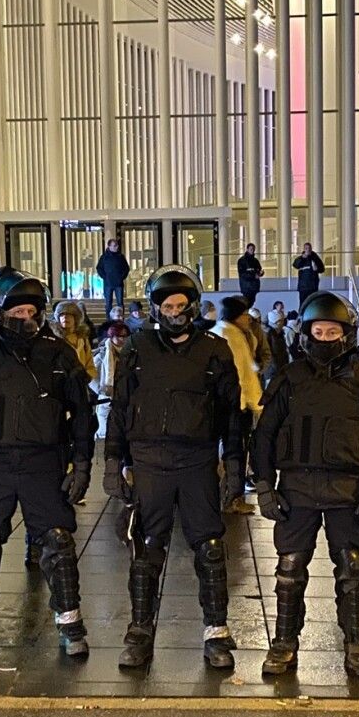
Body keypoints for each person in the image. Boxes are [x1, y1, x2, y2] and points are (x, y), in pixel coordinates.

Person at [0, 272, 95, 659]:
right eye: (17, 310)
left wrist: (82, 464)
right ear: (0, 311)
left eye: (31, 310)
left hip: (43, 461)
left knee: (58, 542)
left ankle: (70, 621)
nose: (24, 317)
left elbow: (82, 414)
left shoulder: (58, 353)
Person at [105, 268, 244, 670]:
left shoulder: (214, 350)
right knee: (147, 548)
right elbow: (120, 408)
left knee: (210, 548)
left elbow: (232, 416)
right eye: (167, 306)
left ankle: (216, 631)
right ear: (155, 309)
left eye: (181, 306)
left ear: (193, 307)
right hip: (150, 463)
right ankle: (140, 630)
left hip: (198, 461)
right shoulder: (137, 347)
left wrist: (235, 465)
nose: (175, 313)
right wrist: (114, 462)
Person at [252, 291, 359, 680]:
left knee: (354, 568)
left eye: (333, 331)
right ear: (307, 333)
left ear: (345, 335)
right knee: (290, 567)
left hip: (348, 490)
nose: (326, 338)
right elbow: (264, 436)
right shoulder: (290, 379)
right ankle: (283, 642)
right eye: (319, 330)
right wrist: (264, 485)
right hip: (297, 489)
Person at [215, 295, 263, 513]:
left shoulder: (221, 331)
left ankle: (224, 495)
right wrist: (256, 403)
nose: (247, 318)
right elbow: (243, 373)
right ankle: (233, 498)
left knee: (224, 450)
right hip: (236, 403)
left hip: (221, 402)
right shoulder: (232, 336)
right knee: (235, 451)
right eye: (244, 314)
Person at [53, 299, 96, 381]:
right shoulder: (54, 338)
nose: (65, 317)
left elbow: (89, 362)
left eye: (69, 314)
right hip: (60, 383)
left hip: (80, 383)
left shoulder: (82, 338)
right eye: (62, 315)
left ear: (76, 318)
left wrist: (87, 376)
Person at [96, 237, 130, 315]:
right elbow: (99, 268)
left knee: (120, 303)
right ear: (109, 246)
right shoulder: (104, 257)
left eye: (117, 245)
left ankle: (121, 319)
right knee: (108, 303)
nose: (116, 247)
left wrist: (122, 277)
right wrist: (105, 277)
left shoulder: (121, 257)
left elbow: (126, 268)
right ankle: (109, 320)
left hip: (119, 283)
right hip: (108, 283)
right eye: (114, 245)